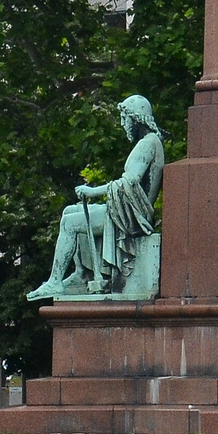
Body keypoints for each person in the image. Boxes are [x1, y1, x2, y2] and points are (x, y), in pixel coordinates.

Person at [28, 95, 165, 300]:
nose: (122, 124)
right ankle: (82, 274)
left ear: (136, 119)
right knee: (70, 211)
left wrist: (93, 192)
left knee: (69, 223)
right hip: (126, 210)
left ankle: (54, 281)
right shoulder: (151, 142)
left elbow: (130, 182)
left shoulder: (147, 144)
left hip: (131, 217)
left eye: (124, 118)